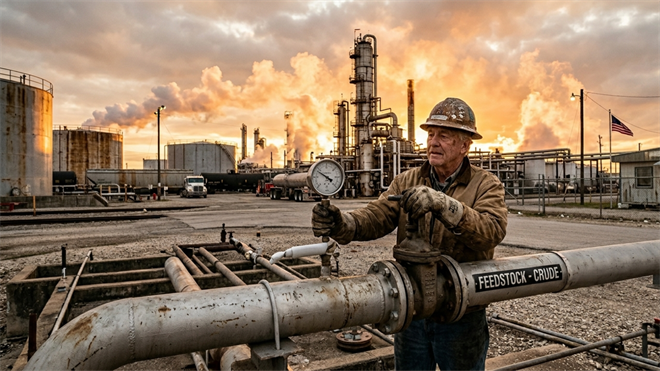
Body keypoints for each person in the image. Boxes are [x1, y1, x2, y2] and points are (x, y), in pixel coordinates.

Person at [312, 97, 508, 371]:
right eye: (430, 135)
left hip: (461, 314)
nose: (433, 142)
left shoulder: (485, 185)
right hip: (412, 309)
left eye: (444, 136)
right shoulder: (408, 180)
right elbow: (376, 216)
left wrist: (444, 204)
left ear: (465, 145)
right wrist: (342, 223)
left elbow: (492, 231)